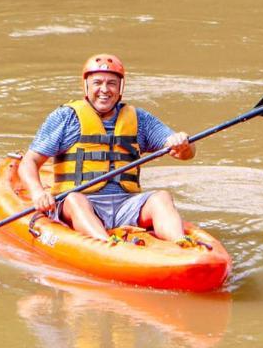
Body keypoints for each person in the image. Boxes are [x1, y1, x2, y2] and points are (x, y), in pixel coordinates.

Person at [18, 54, 195, 244]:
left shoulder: (140, 120)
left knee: (161, 197)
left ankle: (181, 243)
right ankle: (106, 245)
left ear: (121, 88)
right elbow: (29, 162)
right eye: (97, 83)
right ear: (86, 86)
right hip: (82, 204)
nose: (104, 89)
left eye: (111, 83)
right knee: (74, 200)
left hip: (126, 204)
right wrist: (37, 192)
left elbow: (186, 153)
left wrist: (183, 144)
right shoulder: (65, 118)